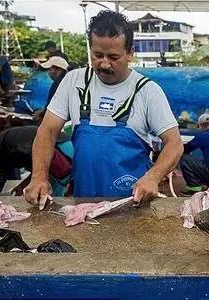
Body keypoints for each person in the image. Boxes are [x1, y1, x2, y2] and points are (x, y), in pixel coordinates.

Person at [23, 10, 183, 209]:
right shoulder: (74, 81)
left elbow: (174, 143)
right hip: (83, 202)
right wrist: (39, 177)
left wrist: (153, 177)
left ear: (130, 53)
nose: (104, 64)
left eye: (114, 57)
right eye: (97, 55)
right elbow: (47, 130)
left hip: (132, 202)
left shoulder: (147, 91)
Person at [0, 126, 73, 197]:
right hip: (69, 146)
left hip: (57, 154)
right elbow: (36, 169)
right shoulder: (14, 136)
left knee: (51, 200)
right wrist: (23, 185)